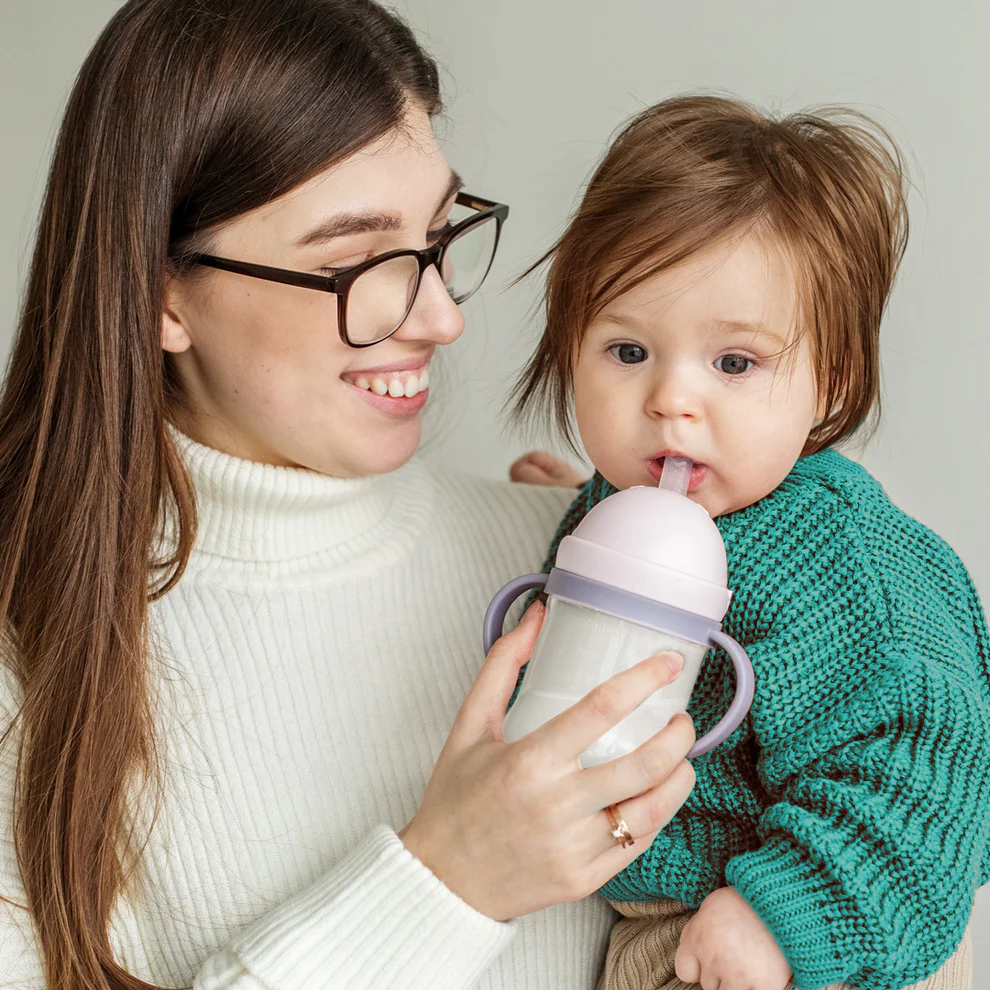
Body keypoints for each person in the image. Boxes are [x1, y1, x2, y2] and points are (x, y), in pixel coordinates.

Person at [0, 2, 700, 988]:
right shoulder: (23, 652)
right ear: (161, 292)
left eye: (439, 234)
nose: (444, 317)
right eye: (359, 262)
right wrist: (445, 885)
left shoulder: (568, 561)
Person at [510, 95, 989, 990]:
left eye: (734, 363)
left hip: (817, 926)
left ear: (830, 381)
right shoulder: (642, 498)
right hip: (673, 918)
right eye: (626, 351)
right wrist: (574, 507)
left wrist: (784, 912)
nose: (670, 401)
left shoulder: (847, 565)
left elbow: (921, 767)